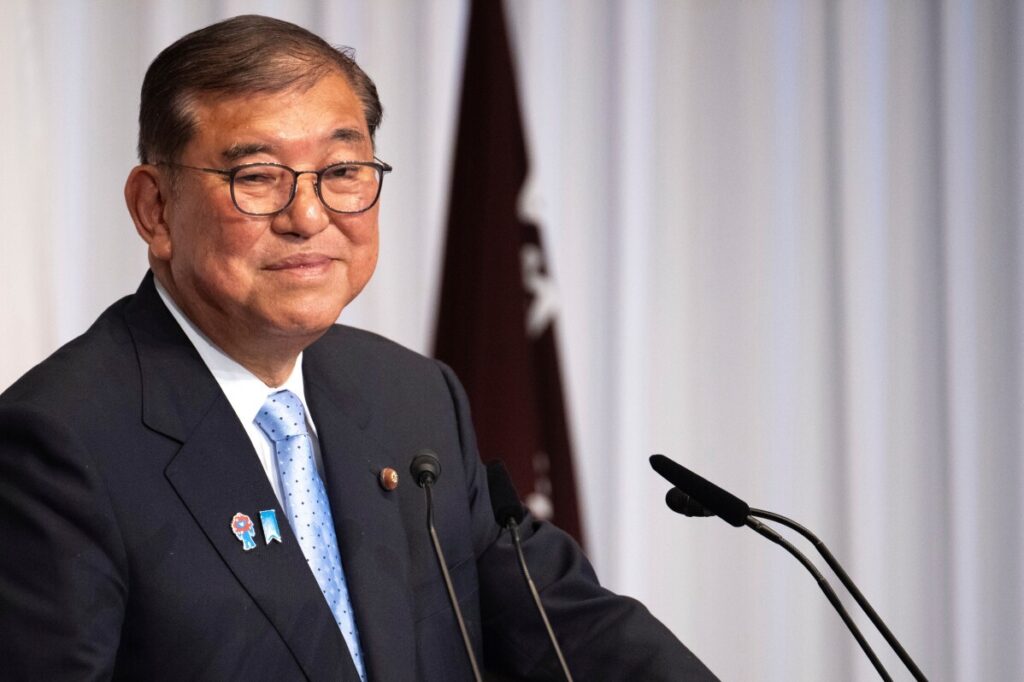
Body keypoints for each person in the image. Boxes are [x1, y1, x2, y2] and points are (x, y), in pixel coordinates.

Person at [0, 15, 716, 681]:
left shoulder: (410, 397)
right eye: (258, 177)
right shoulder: (59, 442)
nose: (308, 216)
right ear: (155, 209)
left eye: (342, 172)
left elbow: (569, 628)